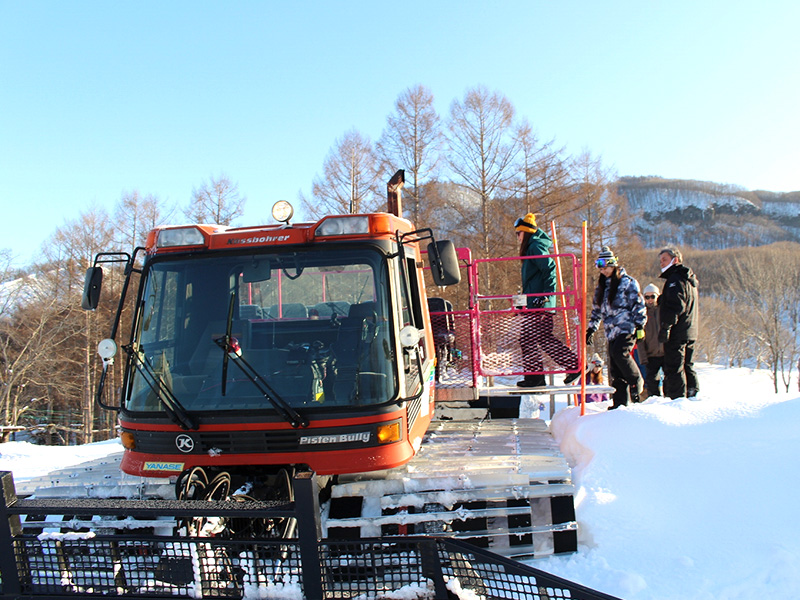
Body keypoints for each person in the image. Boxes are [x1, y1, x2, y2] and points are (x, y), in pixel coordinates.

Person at [514, 213, 579, 387]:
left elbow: (550, 270)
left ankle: (571, 366)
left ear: (525, 232)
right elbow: (533, 281)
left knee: (532, 338)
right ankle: (541, 376)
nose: (517, 237)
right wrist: (523, 302)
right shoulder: (532, 247)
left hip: (540, 304)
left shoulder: (535, 246)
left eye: (518, 233)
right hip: (535, 302)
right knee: (538, 338)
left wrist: (546, 297)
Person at [585, 246, 646, 408]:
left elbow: (638, 303)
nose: (603, 271)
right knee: (615, 367)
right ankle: (620, 403)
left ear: (614, 265)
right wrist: (591, 328)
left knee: (620, 354)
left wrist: (640, 324)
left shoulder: (627, 283)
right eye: (601, 268)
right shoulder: (602, 287)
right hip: (611, 331)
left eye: (606, 267)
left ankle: (636, 380)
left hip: (626, 327)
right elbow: (597, 310)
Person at [658, 247, 699, 399]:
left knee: (674, 366)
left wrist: (666, 327)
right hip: (690, 329)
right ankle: (693, 393)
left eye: (664, 260)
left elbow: (675, 306)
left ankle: (677, 399)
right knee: (687, 364)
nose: (661, 264)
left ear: (675, 260)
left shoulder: (675, 280)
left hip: (678, 331)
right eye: (660, 260)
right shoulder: (689, 279)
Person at [640, 283, 665, 398]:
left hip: (666, 352)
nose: (650, 300)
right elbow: (640, 339)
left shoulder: (664, 311)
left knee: (669, 381)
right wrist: (643, 357)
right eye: (647, 297)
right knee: (651, 382)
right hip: (651, 354)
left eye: (653, 296)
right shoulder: (642, 314)